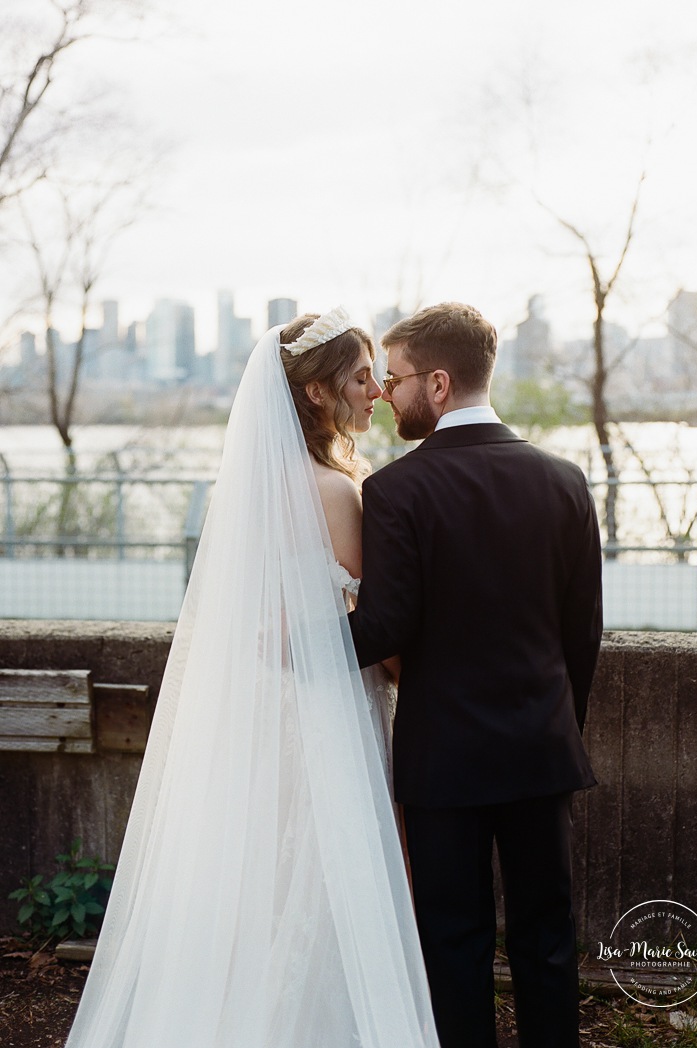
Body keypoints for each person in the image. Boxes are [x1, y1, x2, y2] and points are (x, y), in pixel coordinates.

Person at [65, 308, 440, 1048]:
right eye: (360, 378)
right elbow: (380, 631)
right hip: (327, 715)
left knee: (265, 887)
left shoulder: (254, 491)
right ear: (315, 394)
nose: (376, 392)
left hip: (264, 712)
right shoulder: (336, 494)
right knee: (327, 885)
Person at [349, 302, 603, 1048]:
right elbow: (579, 635)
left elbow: (384, 629)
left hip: (444, 764)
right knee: (546, 938)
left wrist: (291, 641)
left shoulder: (395, 492)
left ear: (436, 381)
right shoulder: (565, 482)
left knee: (453, 944)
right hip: (541, 752)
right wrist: (560, 731)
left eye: (392, 379)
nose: (384, 395)